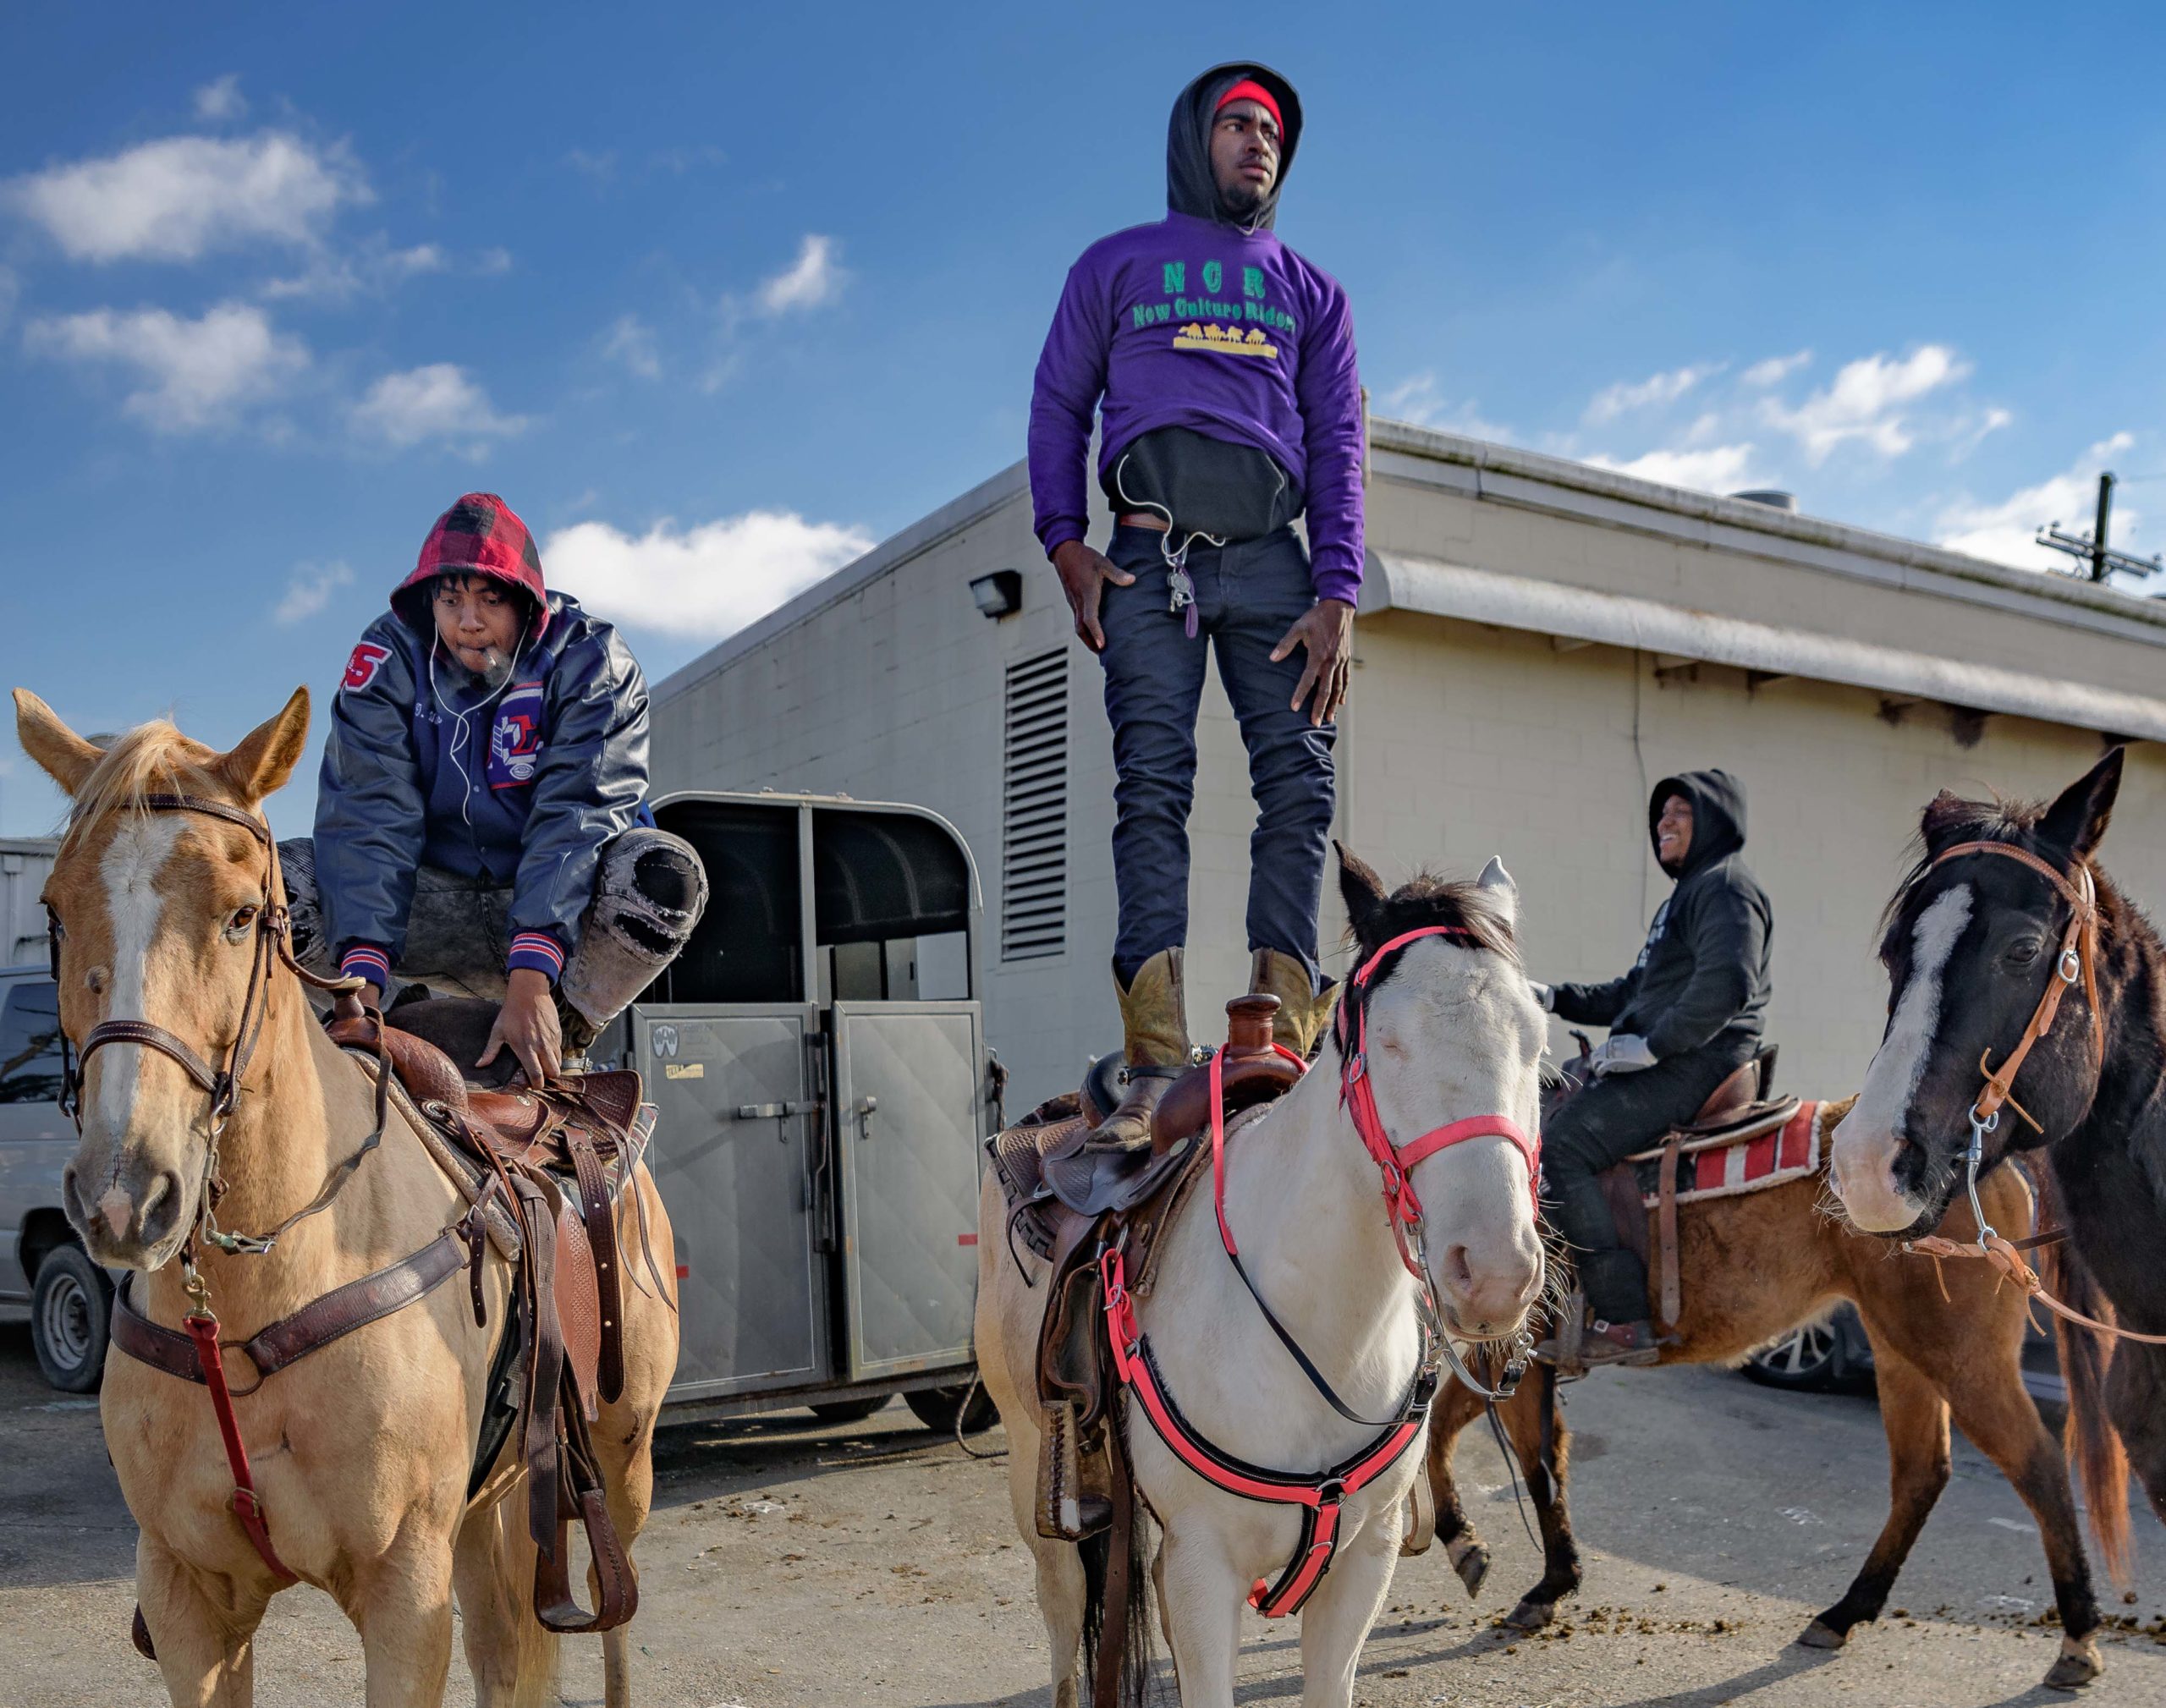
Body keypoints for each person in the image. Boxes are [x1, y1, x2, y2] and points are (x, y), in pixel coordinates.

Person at [1028, 62, 1365, 1145]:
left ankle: (1283, 1032)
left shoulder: (1313, 293)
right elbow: (1058, 403)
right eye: (1235, 124)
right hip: (1147, 558)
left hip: (1275, 567)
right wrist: (1063, 540)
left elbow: (1339, 442)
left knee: (1300, 789)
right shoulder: (1115, 264)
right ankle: (1155, 1058)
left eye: (1271, 130)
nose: (1257, 141)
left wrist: (1338, 588)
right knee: (1152, 788)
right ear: (1194, 141)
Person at [283, 492, 708, 1085]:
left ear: (527, 601)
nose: (469, 621)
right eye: (450, 600)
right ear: (427, 602)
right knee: (281, 885)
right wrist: (360, 984)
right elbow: (367, 814)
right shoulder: (388, 658)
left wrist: (532, 974)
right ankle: (397, 1020)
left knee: (665, 873)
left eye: (490, 599)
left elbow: (577, 815)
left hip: (562, 915)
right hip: (433, 904)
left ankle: (561, 1028)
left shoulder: (589, 659)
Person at [1530, 772, 1773, 1365]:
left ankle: (1621, 1316)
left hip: (1698, 1060)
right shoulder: (1687, 896)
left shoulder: (1725, 888)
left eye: (1680, 810)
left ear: (1714, 820)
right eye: (1660, 813)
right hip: (1675, 1055)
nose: (1664, 821)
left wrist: (1654, 1047)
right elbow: (1633, 991)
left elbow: (1728, 982)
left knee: (1564, 1145)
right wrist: (1553, 997)